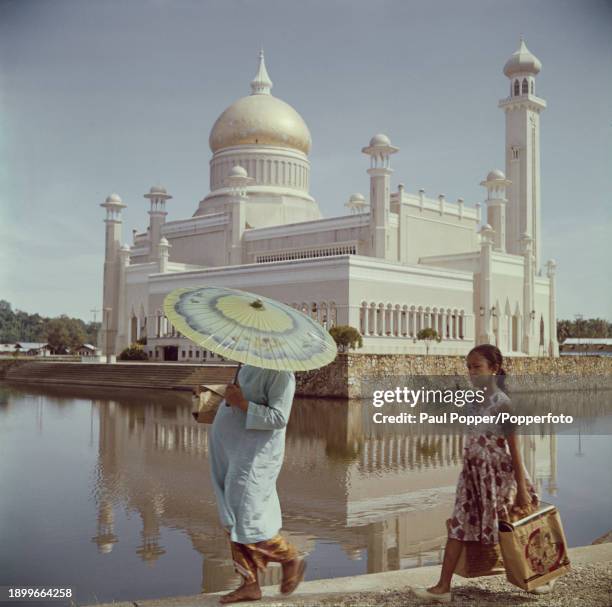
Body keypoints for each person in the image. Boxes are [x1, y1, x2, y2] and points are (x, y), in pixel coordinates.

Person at [411, 344, 549, 604]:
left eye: (477, 367)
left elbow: (514, 449)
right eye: (469, 367)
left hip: (499, 478)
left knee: (514, 530)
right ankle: (442, 588)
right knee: (458, 526)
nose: (472, 372)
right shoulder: (471, 401)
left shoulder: (503, 404)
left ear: (494, 369)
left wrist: (521, 489)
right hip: (472, 478)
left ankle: (537, 577)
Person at [208, 364, 306, 604]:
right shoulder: (248, 364)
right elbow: (241, 398)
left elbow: (279, 417)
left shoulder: (281, 373)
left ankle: (289, 557)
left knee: (246, 516)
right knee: (232, 514)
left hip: (254, 457)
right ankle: (249, 584)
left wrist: (240, 402)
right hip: (234, 452)